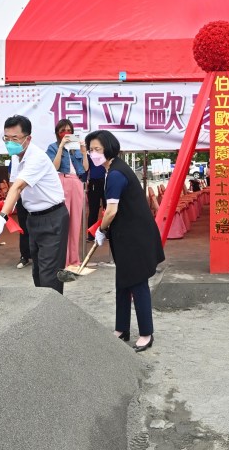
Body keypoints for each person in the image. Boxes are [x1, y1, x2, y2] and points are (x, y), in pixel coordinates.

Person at [87, 130, 164, 352]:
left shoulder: (116, 174)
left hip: (135, 237)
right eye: (91, 150)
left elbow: (110, 211)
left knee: (137, 282)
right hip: (125, 236)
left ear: (109, 149)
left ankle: (146, 334)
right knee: (123, 282)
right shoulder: (112, 170)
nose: (93, 154)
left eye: (97, 149)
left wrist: (100, 230)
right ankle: (121, 328)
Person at [0, 115, 68, 294]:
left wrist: (2, 217)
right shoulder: (17, 157)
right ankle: (43, 316)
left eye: (14, 139)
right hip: (33, 218)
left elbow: (17, 187)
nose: (10, 143)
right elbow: (12, 189)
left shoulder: (36, 157)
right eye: (6, 139)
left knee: (50, 276)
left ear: (28, 138)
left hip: (52, 218)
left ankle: (54, 318)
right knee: (38, 273)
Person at [46, 119, 86, 266]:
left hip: (76, 182)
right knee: (62, 222)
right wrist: (61, 147)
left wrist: (84, 152)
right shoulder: (52, 147)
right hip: (60, 181)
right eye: (63, 130)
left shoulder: (75, 148)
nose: (66, 133)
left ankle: (74, 260)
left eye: (69, 130)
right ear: (57, 132)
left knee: (76, 222)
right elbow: (53, 167)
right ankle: (63, 259)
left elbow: (85, 169)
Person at [81, 140, 106, 243]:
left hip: (106, 181)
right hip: (94, 183)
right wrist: (84, 181)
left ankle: (108, 232)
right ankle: (91, 234)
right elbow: (85, 169)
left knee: (107, 208)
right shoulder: (89, 155)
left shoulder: (106, 154)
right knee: (93, 210)